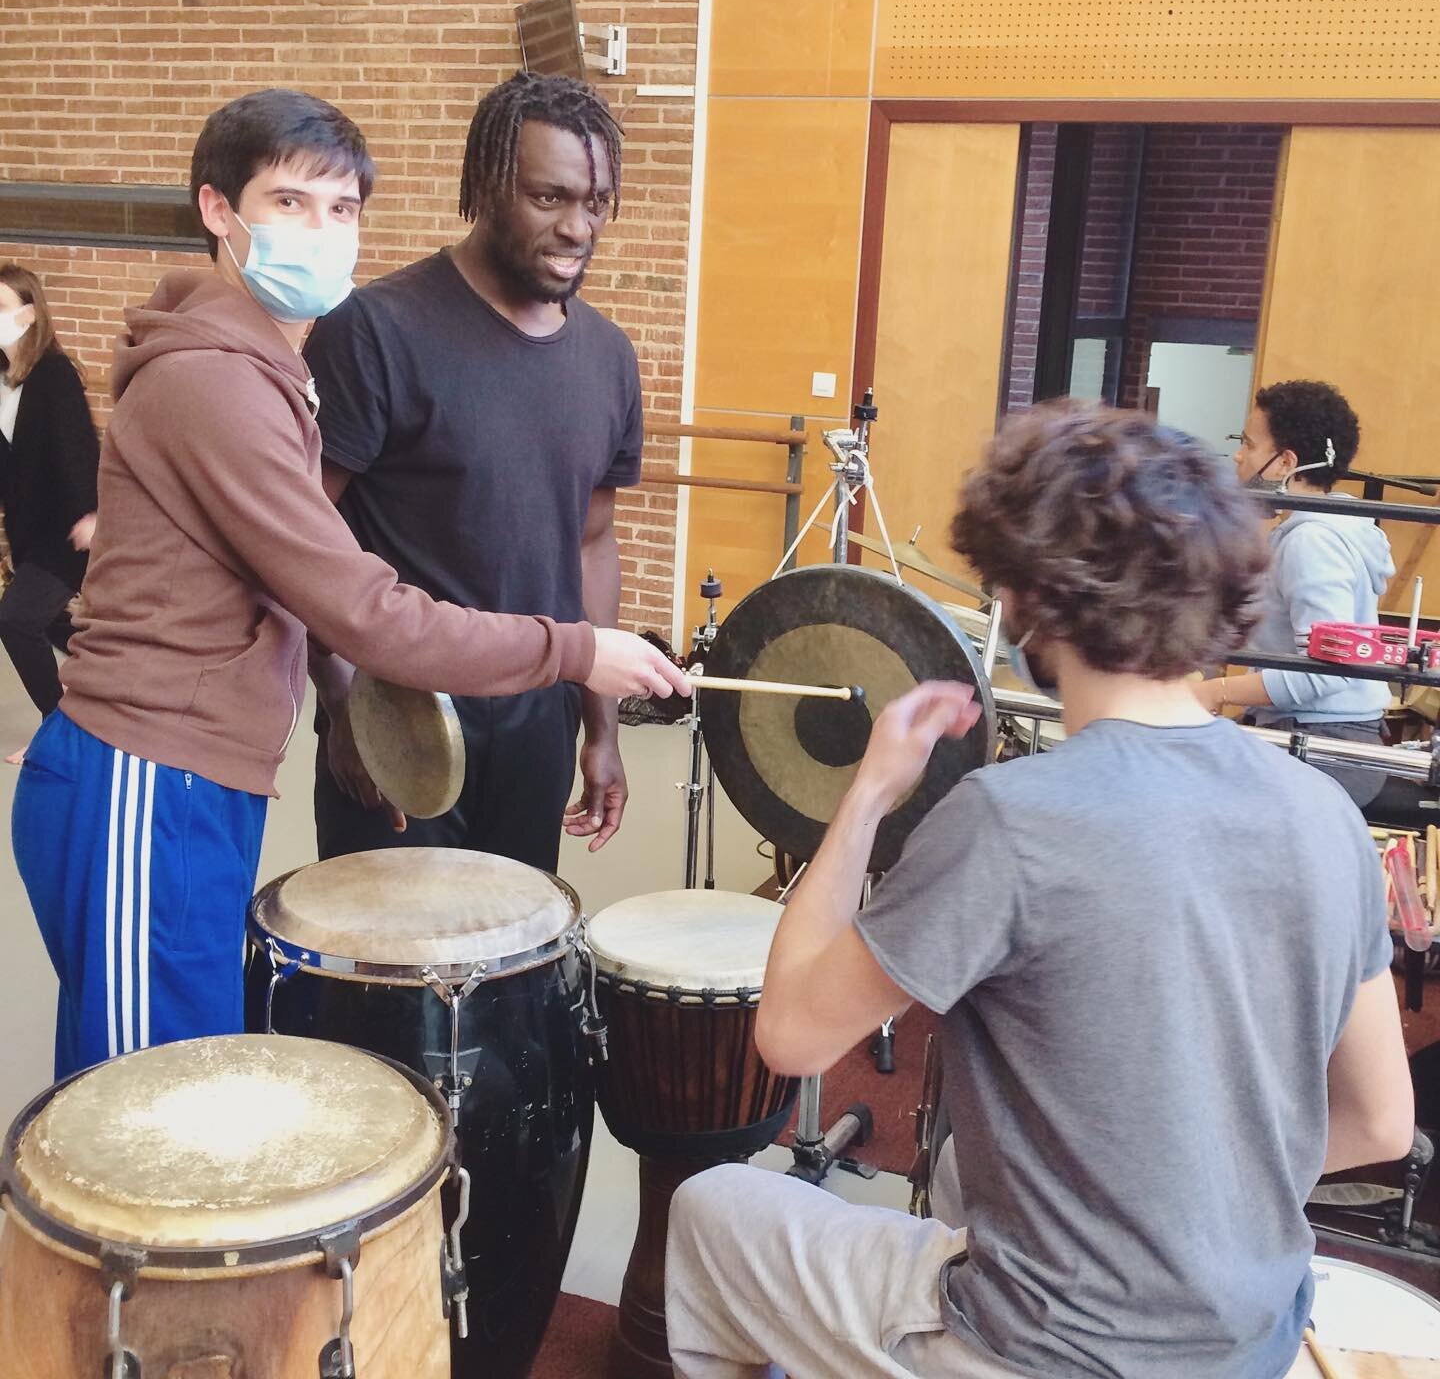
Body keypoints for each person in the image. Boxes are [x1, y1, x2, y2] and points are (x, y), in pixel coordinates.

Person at [665, 409, 1413, 1379]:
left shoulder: (1010, 820)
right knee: (962, 1180)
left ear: (1027, 602)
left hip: (1045, 1354)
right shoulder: (1328, 817)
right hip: (1252, 1339)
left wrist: (867, 796)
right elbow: (1381, 1124)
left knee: (713, 1212)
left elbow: (792, 1036)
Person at [12, 89, 684, 1082]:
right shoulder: (220, 381)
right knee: (136, 1112)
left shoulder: (265, 368)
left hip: (205, 778)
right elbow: (362, 606)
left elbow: (312, 575)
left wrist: (590, 718)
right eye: (290, 204)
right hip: (142, 778)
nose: (323, 233)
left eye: (343, 209)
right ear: (217, 211)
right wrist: (576, 649)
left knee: (177, 1096)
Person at [303, 70, 644, 872]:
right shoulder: (374, 330)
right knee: (396, 982)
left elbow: (593, 544)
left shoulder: (609, 358)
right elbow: (307, 538)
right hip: (403, 712)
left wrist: (602, 729)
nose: (577, 227)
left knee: (508, 968)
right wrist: (345, 698)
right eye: (549, 197)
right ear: (488, 186)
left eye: (594, 204)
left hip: (537, 718)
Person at [1193, 380, 1394, 806]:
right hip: (1314, 731)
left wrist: (1215, 693)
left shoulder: (1313, 541)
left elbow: (1324, 669)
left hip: (1325, 744)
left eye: (1248, 444)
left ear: (1285, 462)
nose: (1238, 456)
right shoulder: (1321, 529)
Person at [0, 264, 100, 762]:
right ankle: (101, 694)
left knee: (16, 621)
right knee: (56, 626)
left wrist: (92, 514)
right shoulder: (2, 380)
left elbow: (80, 448)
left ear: (28, 313)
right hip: (28, 533)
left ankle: (58, 725)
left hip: (68, 529)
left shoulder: (55, 374)